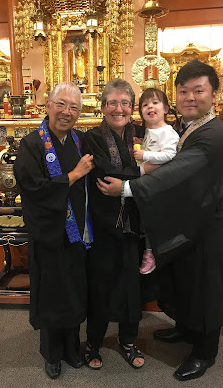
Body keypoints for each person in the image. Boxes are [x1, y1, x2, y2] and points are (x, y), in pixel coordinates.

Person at [95, 60, 223, 381]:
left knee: (203, 286)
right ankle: (186, 329)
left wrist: (128, 188)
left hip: (205, 224)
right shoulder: (190, 126)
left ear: (214, 93)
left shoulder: (212, 134)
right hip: (188, 219)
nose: (190, 97)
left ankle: (205, 352)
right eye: (183, 91)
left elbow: (176, 171)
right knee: (184, 282)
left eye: (198, 91)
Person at [14, 82, 94, 380]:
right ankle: (51, 353)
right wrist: (74, 175)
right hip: (48, 234)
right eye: (61, 104)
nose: (67, 112)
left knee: (74, 290)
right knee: (51, 293)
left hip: (76, 235)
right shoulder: (32, 145)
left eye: (74, 107)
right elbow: (33, 188)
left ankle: (72, 348)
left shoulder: (81, 141)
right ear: (48, 106)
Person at [83, 78, 146, 370]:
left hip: (135, 223)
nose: (118, 108)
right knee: (102, 282)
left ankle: (128, 340)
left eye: (124, 103)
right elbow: (107, 173)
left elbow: (156, 170)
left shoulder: (144, 134)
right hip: (104, 223)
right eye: (112, 103)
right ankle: (93, 342)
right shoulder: (93, 137)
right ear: (103, 106)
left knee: (131, 284)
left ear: (132, 108)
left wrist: (129, 181)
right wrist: (139, 177)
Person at [134, 88, 179, 274]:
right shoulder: (150, 131)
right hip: (148, 185)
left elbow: (170, 155)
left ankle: (151, 252)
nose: (150, 107)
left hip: (160, 187)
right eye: (145, 104)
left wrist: (144, 154)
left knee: (151, 220)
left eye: (155, 103)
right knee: (144, 219)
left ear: (166, 108)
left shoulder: (167, 132)